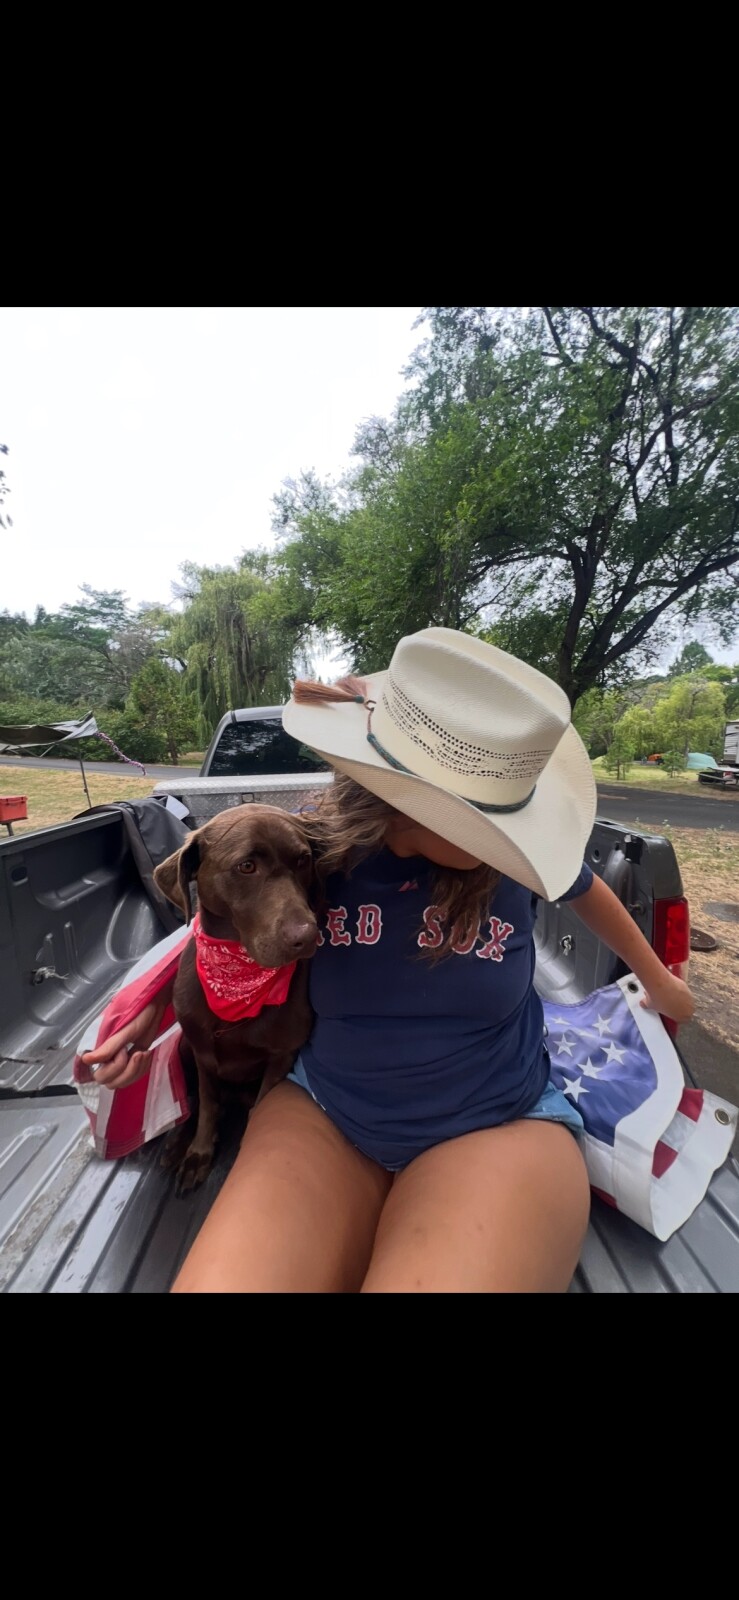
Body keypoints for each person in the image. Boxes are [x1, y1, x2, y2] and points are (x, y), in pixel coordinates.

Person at [82, 628, 694, 1292]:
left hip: (497, 1121)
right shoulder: (312, 850)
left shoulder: (520, 856)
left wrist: (658, 980)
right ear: (405, 799)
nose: (511, 840)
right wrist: (148, 1021)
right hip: (325, 1109)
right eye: (487, 821)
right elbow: (220, 928)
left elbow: (588, 891)